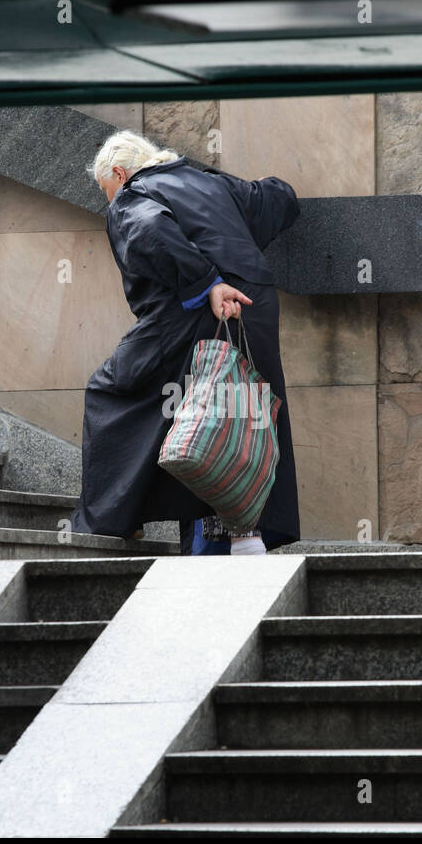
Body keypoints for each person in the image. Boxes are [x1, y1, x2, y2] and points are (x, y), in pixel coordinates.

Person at [68, 130, 301, 555]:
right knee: (237, 407)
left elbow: (151, 229)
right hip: (255, 304)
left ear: (119, 173)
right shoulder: (209, 182)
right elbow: (273, 198)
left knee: (113, 392)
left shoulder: (135, 194)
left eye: (108, 191)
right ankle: (243, 535)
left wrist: (207, 282)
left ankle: (113, 519)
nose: (111, 201)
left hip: (193, 309)